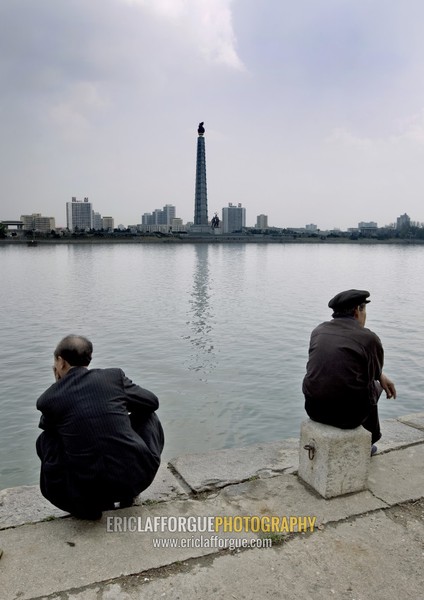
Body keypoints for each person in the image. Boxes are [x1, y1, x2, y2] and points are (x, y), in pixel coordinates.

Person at [36, 335, 164, 519]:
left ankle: (83, 504)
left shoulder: (48, 398)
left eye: (55, 362)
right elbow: (151, 402)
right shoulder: (113, 377)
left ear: (61, 362)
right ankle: (127, 493)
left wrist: (58, 385)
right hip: (137, 477)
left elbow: (49, 428)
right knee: (147, 415)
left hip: (87, 492)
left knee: (46, 438)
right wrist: (116, 410)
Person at [302, 289, 396, 451]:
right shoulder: (368, 338)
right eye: (364, 309)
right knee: (373, 386)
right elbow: (372, 374)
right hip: (348, 418)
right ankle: (368, 442)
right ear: (357, 311)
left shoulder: (319, 331)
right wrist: (379, 376)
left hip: (313, 409)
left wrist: (380, 374)